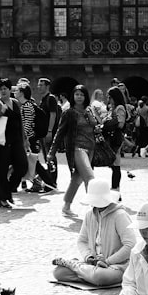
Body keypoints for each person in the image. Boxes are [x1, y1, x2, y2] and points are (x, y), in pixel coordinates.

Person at [52, 179, 137, 286]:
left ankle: (75, 266)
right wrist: (89, 258)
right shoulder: (89, 215)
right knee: (59, 273)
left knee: (100, 277)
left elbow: (131, 245)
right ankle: (87, 273)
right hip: (93, 264)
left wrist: (108, 261)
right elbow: (82, 241)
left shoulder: (120, 215)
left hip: (116, 266)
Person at [49, 84, 95, 217]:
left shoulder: (89, 111)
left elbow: (96, 126)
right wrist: (51, 152)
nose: (79, 97)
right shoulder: (69, 113)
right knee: (90, 178)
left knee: (77, 178)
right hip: (77, 148)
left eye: (82, 94)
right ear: (73, 96)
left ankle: (66, 205)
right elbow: (60, 132)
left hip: (90, 148)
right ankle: (96, 209)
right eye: (77, 94)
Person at [0, 78, 28, 209]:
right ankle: (2, 198)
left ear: (10, 90)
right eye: (0, 89)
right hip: (2, 142)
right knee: (2, 171)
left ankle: (8, 190)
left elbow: (20, 122)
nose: (3, 91)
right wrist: (0, 112)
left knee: (22, 166)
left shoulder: (15, 102)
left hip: (16, 141)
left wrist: (24, 139)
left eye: (5, 88)